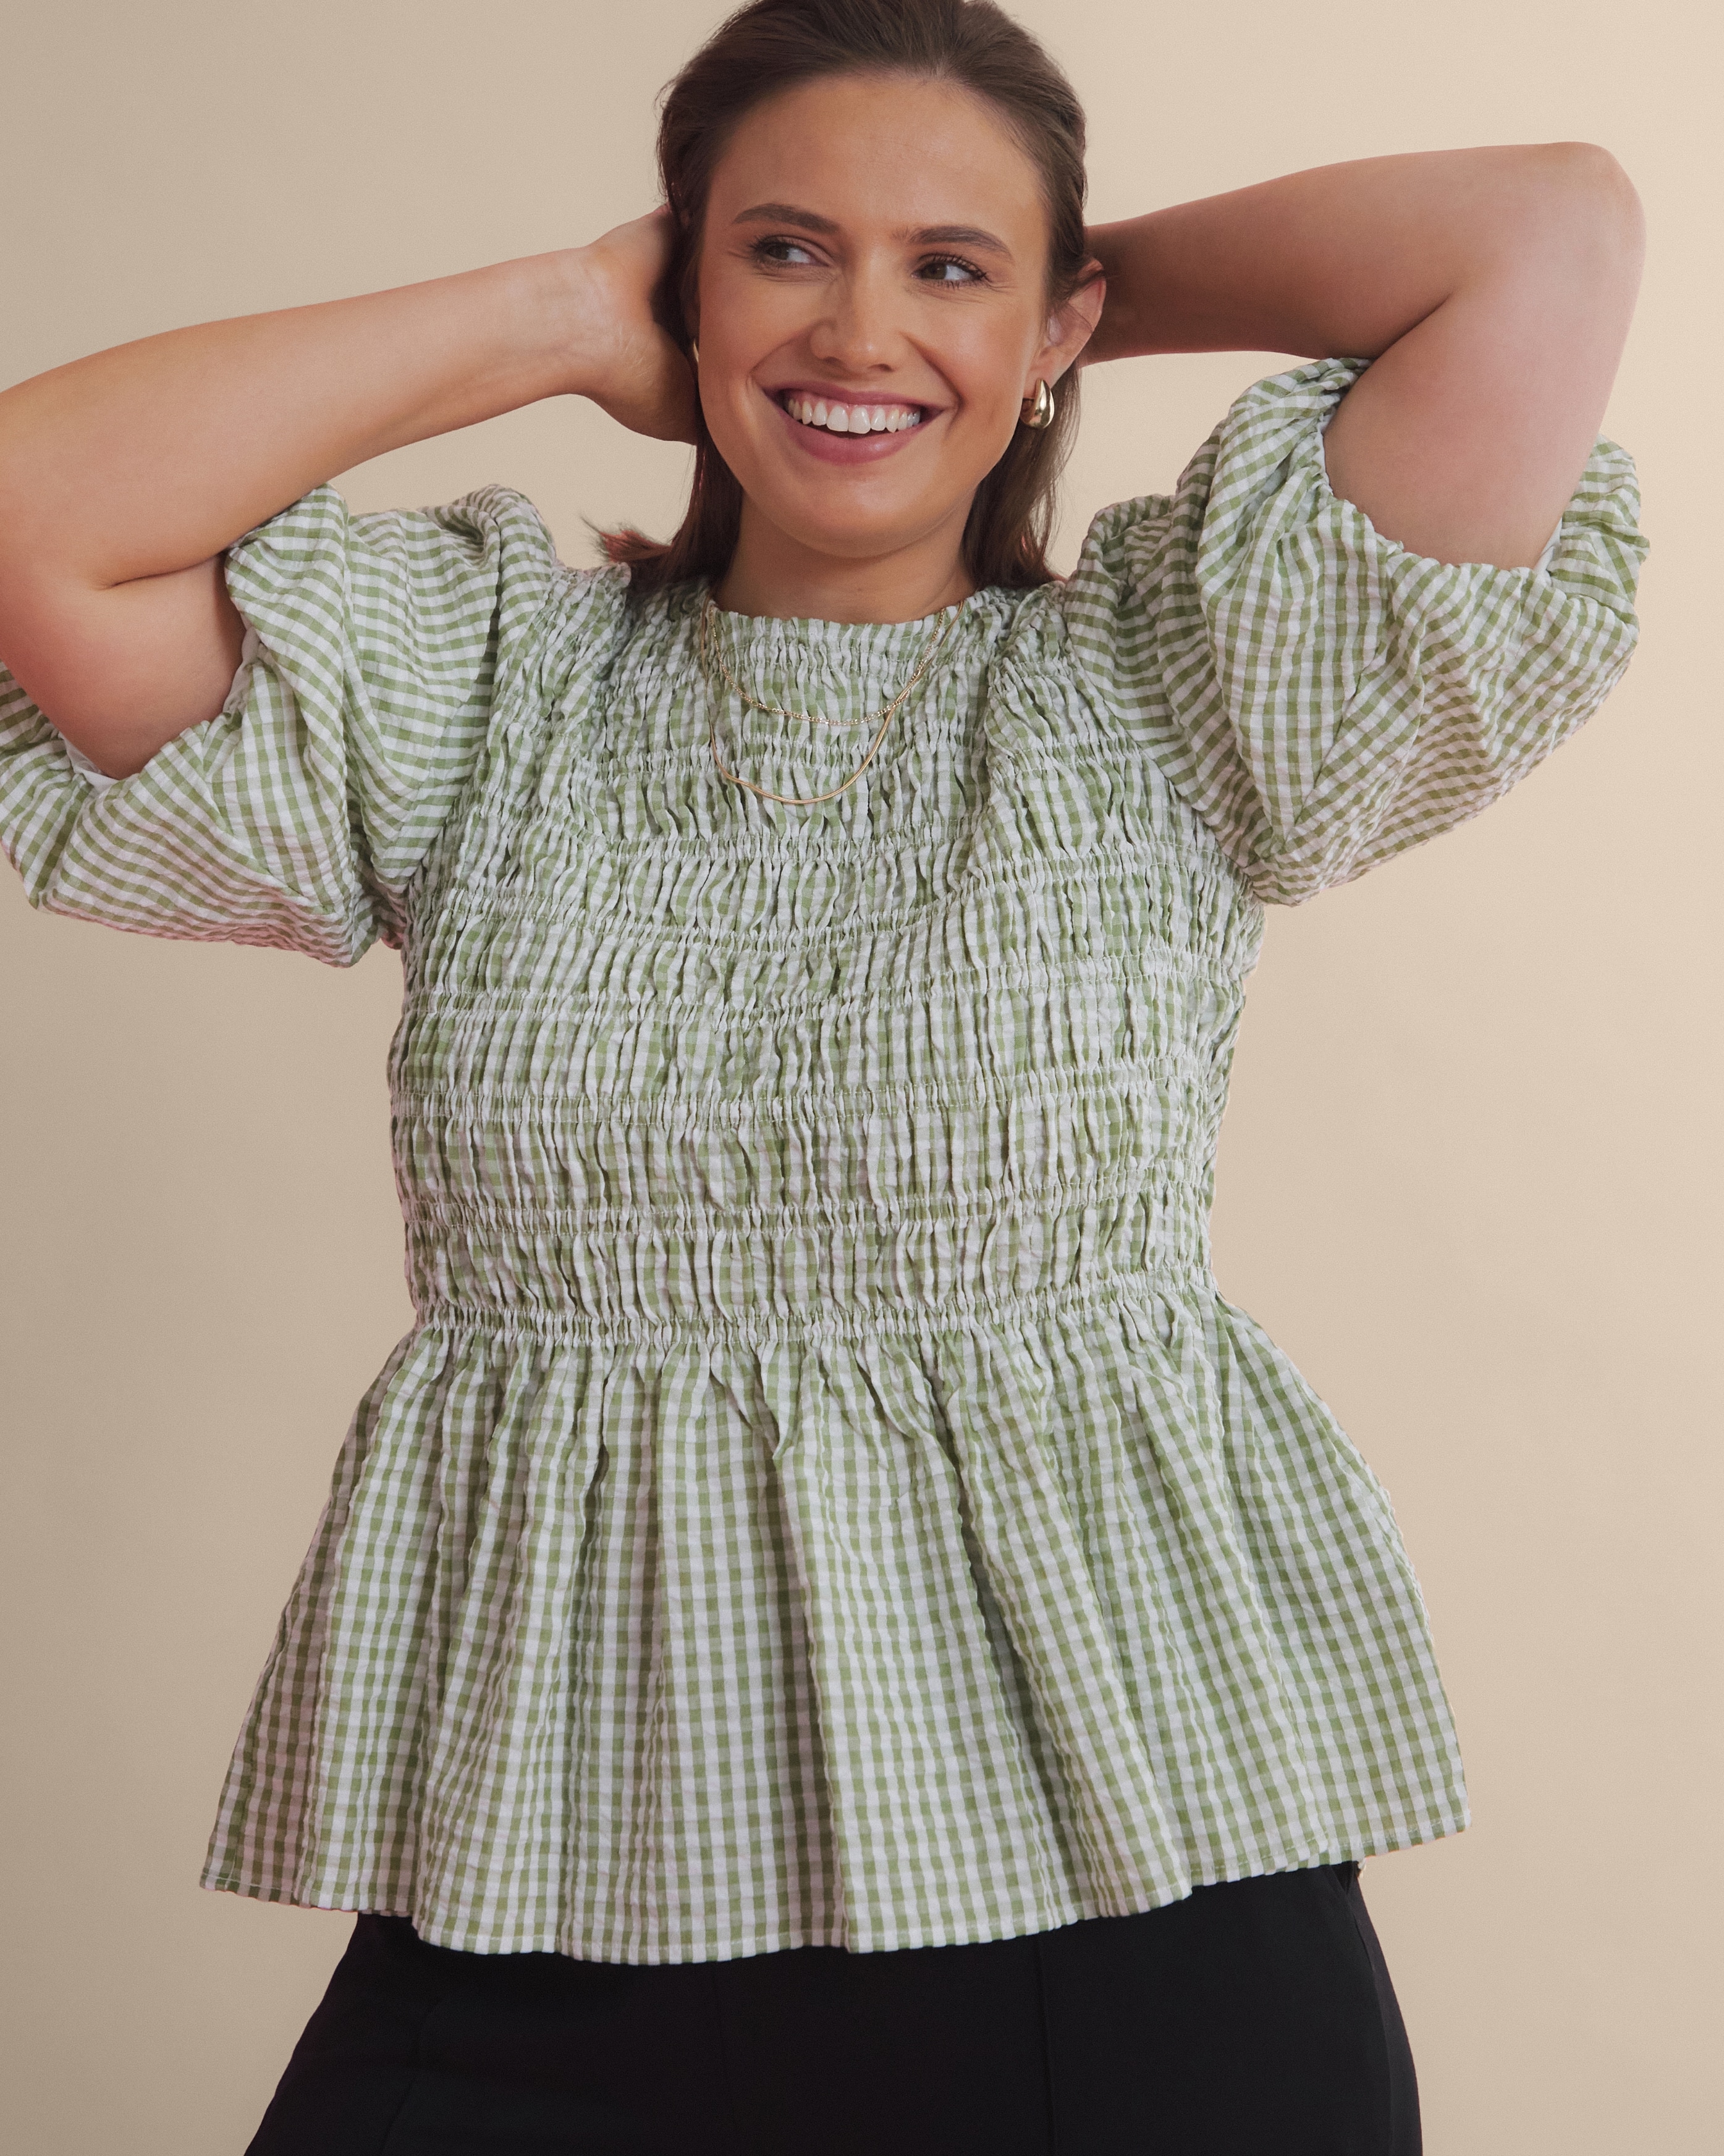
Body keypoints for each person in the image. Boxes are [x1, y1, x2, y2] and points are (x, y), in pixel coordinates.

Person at [0, 0, 1646, 2149]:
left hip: (1132, 1895)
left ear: (1053, 320)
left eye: (944, 265)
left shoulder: (1168, 679)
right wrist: (561, 310)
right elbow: (42, 515)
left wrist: (1067, 291)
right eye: (785, 251)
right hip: (557, 1874)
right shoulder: (490, 672)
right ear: (688, 287)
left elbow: (1549, 236)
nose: (858, 323)